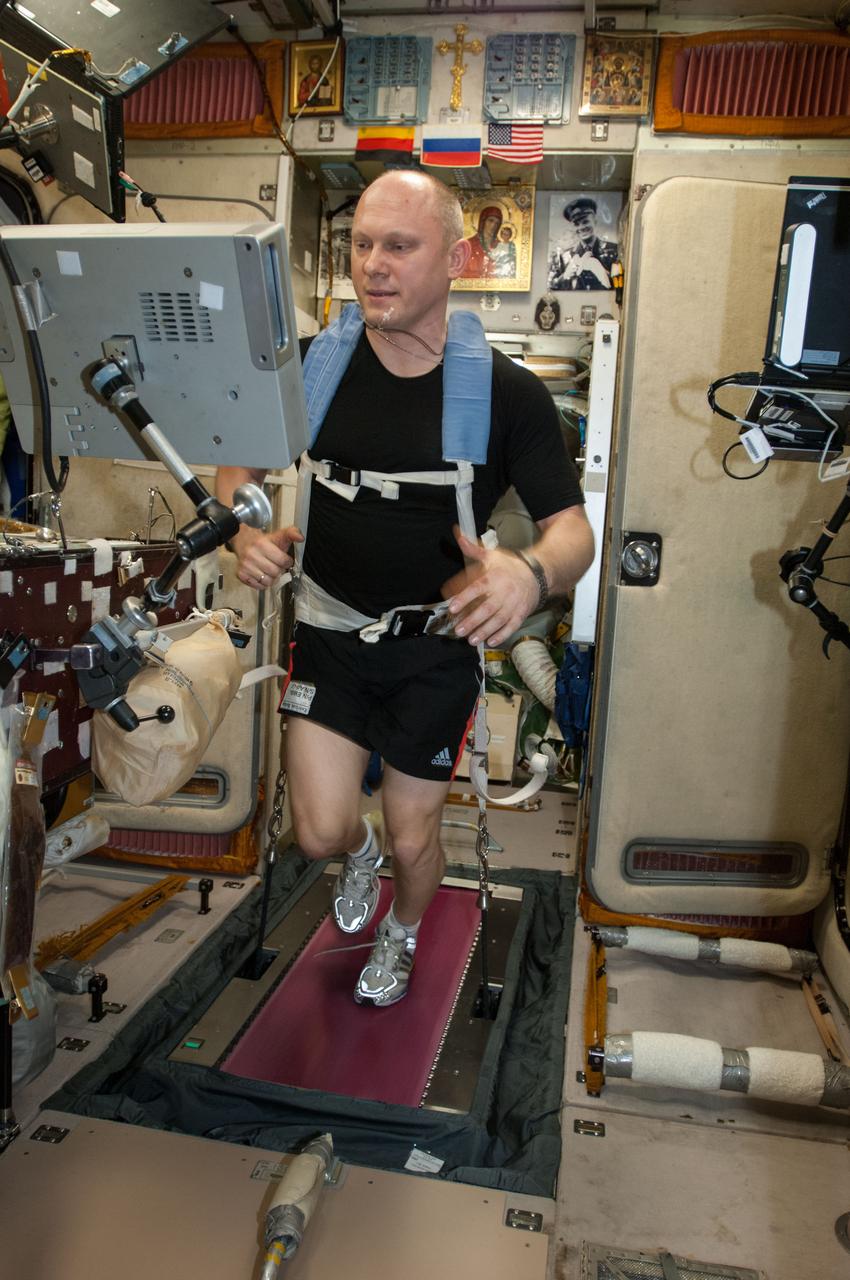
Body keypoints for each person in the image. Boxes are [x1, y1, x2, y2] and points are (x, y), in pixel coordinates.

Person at [216, 171, 593, 1008]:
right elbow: (234, 467)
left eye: (399, 245)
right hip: (329, 629)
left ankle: (402, 929)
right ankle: (358, 859)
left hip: (435, 649)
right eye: (361, 244)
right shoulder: (313, 367)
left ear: (458, 257)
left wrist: (528, 572)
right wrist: (243, 528)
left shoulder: (506, 394)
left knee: (415, 835)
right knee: (318, 832)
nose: (374, 266)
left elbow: (575, 532)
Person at [549, 197, 618, 292]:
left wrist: (604, 274)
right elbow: (552, 289)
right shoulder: (564, 257)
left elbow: (623, 288)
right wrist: (565, 277)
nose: (581, 227)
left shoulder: (614, 250)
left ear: (595, 221)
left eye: (585, 222)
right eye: (576, 224)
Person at [462, 205, 502, 278]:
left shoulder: (500, 245)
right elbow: (462, 271)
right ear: (483, 221)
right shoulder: (469, 244)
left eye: (497, 223)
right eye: (490, 220)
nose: (493, 225)